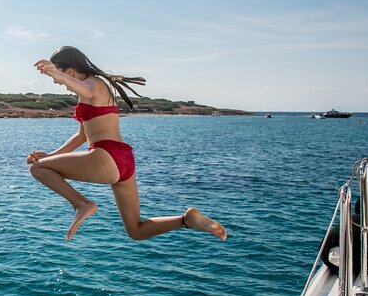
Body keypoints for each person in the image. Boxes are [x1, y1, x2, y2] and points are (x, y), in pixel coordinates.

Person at [27, 46, 227, 242]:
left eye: (57, 76)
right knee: (136, 231)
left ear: (69, 70)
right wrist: (51, 156)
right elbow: (81, 136)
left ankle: (81, 204)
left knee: (37, 169)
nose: (56, 82)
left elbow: (86, 92)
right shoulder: (94, 90)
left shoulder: (93, 84)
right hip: (124, 161)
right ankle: (186, 220)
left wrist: (56, 72)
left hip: (104, 156)